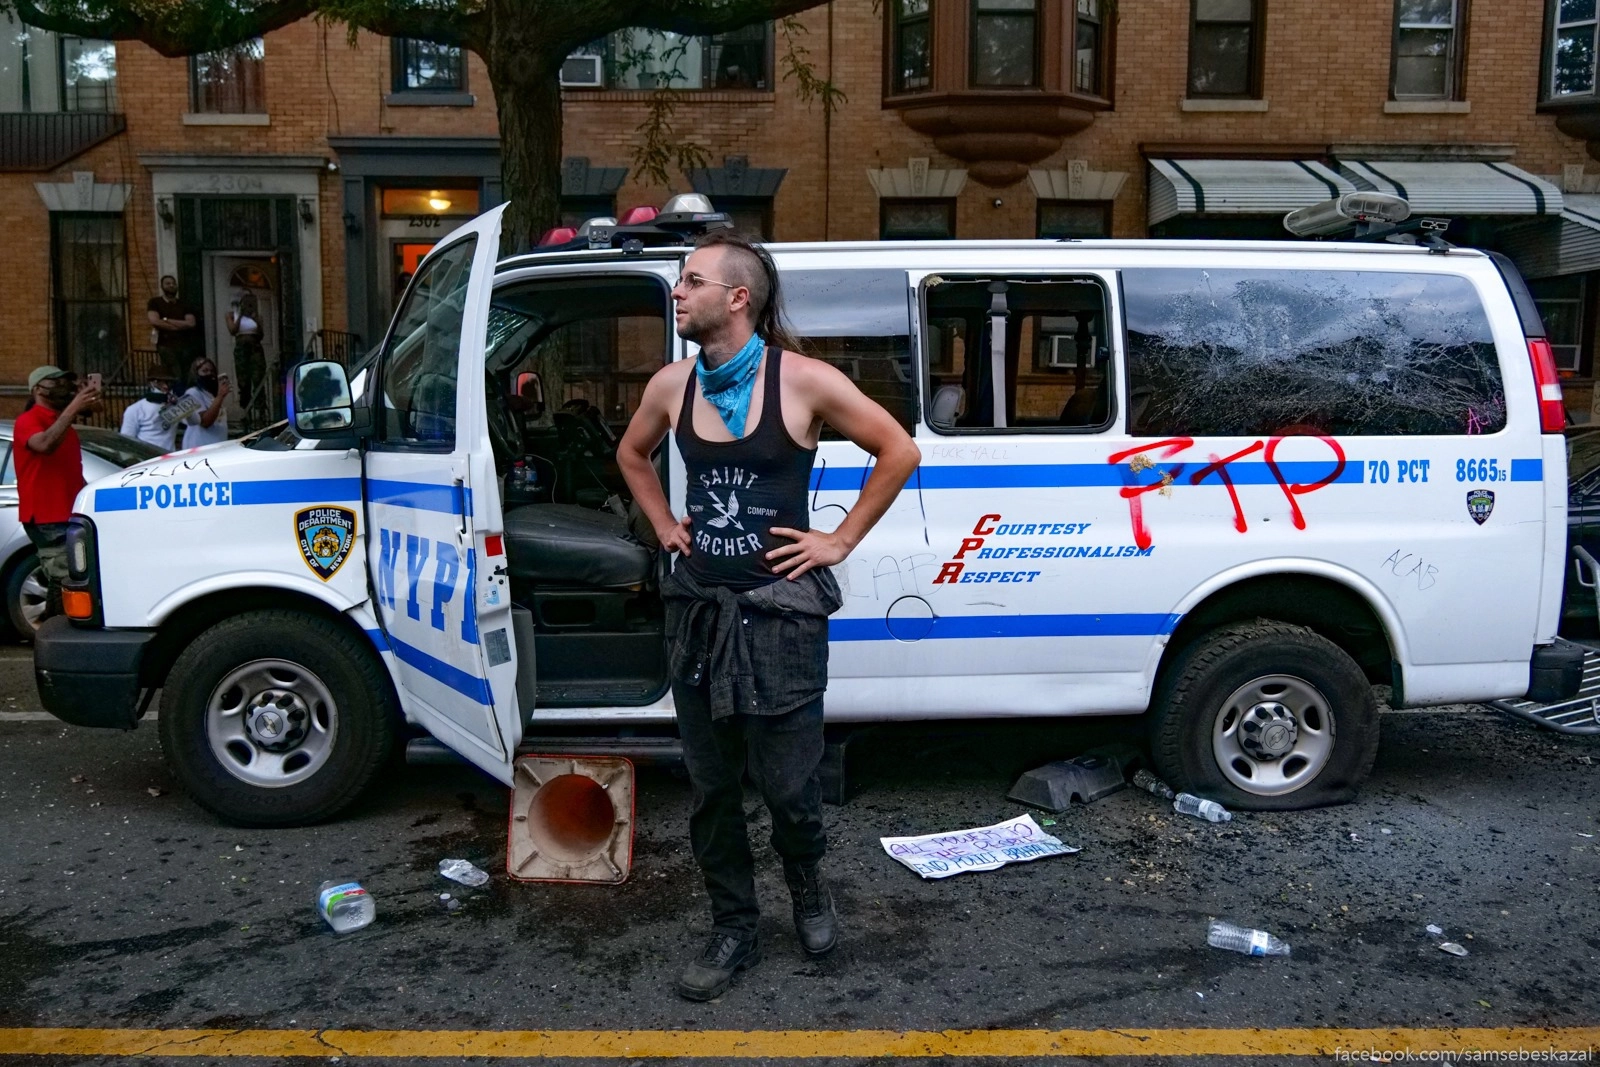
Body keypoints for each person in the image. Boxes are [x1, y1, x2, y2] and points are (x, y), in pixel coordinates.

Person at [617, 232, 921, 1002]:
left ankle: (808, 889)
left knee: (789, 787)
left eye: (691, 280)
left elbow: (898, 450)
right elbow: (631, 455)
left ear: (737, 297)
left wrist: (839, 540)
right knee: (713, 789)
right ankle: (734, 926)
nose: (677, 291)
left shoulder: (804, 381)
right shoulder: (672, 385)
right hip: (701, 615)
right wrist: (665, 524)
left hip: (782, 619)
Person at [15, 366, 100, 619]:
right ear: (38, 389)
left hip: (67, 513)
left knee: (69, 578)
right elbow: (44, 444)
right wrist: (74, 407)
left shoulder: (61, 424)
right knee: (66, 577)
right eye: (56, 382)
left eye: (66, 382)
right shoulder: (28, 420)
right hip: (47, 516)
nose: (63, 387)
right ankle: (57, 631)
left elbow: (69, 470)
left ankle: (57, 629)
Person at [147, 275, 198, 385]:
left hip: (185, 345)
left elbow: (191, 323)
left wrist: (167, 320)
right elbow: (155, 321)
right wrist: (180, 326)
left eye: (173, 283)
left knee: (187, 374)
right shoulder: (155, 302)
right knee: (174, 373)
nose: (171, 285)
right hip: (166, 345)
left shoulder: (184, 304)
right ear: (162, 286)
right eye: (168, 283)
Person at [227, 291, 266, 425]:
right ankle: (246, 413)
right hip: (241, 349)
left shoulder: (257, 316)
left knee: (258, 378)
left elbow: (261, 335)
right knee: (243, 381)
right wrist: (240, 315)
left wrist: (256, 319)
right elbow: (233, 330)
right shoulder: (232, 315)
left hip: (255, 348)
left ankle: (261, 413)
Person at [120, 374, 183, 452]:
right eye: (160, 382)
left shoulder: (175, 405)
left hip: (169, 456)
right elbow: (127, 441)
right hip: (147, 456)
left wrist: (181, 404)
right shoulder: (136, 409)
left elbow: (193, 421)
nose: (165, 386)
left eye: (169, 382)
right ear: (152, 383)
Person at [180, 357, 230, 447]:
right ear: (196, 374)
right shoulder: (193, 393)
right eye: (205, 371)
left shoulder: (211, 394)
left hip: (216, 446)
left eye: (212, 371)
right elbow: (205, 422)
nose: (209, 374)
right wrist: (220, 396)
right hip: (200, 446)